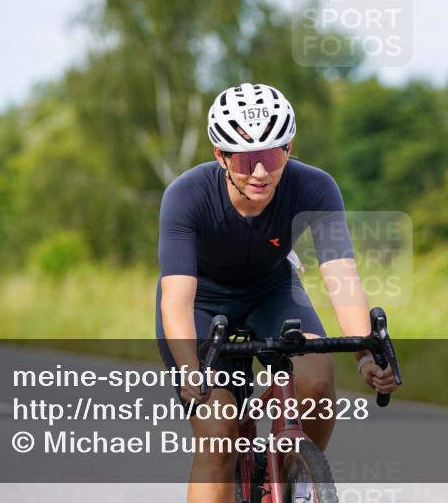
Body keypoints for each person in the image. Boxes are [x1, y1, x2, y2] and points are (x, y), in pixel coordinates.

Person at [156, 82, 398, 503]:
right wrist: (190, 370)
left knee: (318, 379)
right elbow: (175, 299)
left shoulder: (315, 187)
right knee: (218, 439)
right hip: (202, 304)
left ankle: (295, 479)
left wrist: (365, 356)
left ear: (289, 148)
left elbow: (341, 277)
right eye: (248, 159)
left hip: (273, 291)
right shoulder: (186, 196)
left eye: (272, 155)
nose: (261, 172)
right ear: (221, 156)